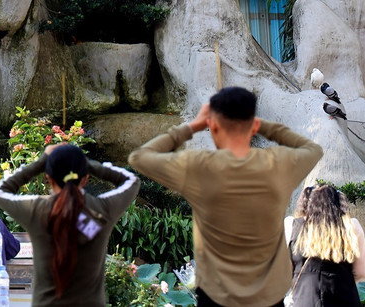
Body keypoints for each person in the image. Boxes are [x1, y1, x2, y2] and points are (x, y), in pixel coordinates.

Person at [128, 87, 323, 307]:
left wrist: (193, 126)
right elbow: (312, 149)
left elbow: (140, 157)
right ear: (253, 125)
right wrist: (265, 127)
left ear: (212, 126)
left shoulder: (199, 166)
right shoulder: (277, 164)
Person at [0, 143, 139, 306]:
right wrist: (86, 163)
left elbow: (0, 191)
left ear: (49, 178)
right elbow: (132, 181)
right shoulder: (102, 210)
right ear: (86, 178)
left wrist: (42, 161)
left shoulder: (37, 211)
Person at [284, 185, 365, 307]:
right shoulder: (351, 226)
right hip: (345, 299)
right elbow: (364, 273)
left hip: (304, 299)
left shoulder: (291, 226)